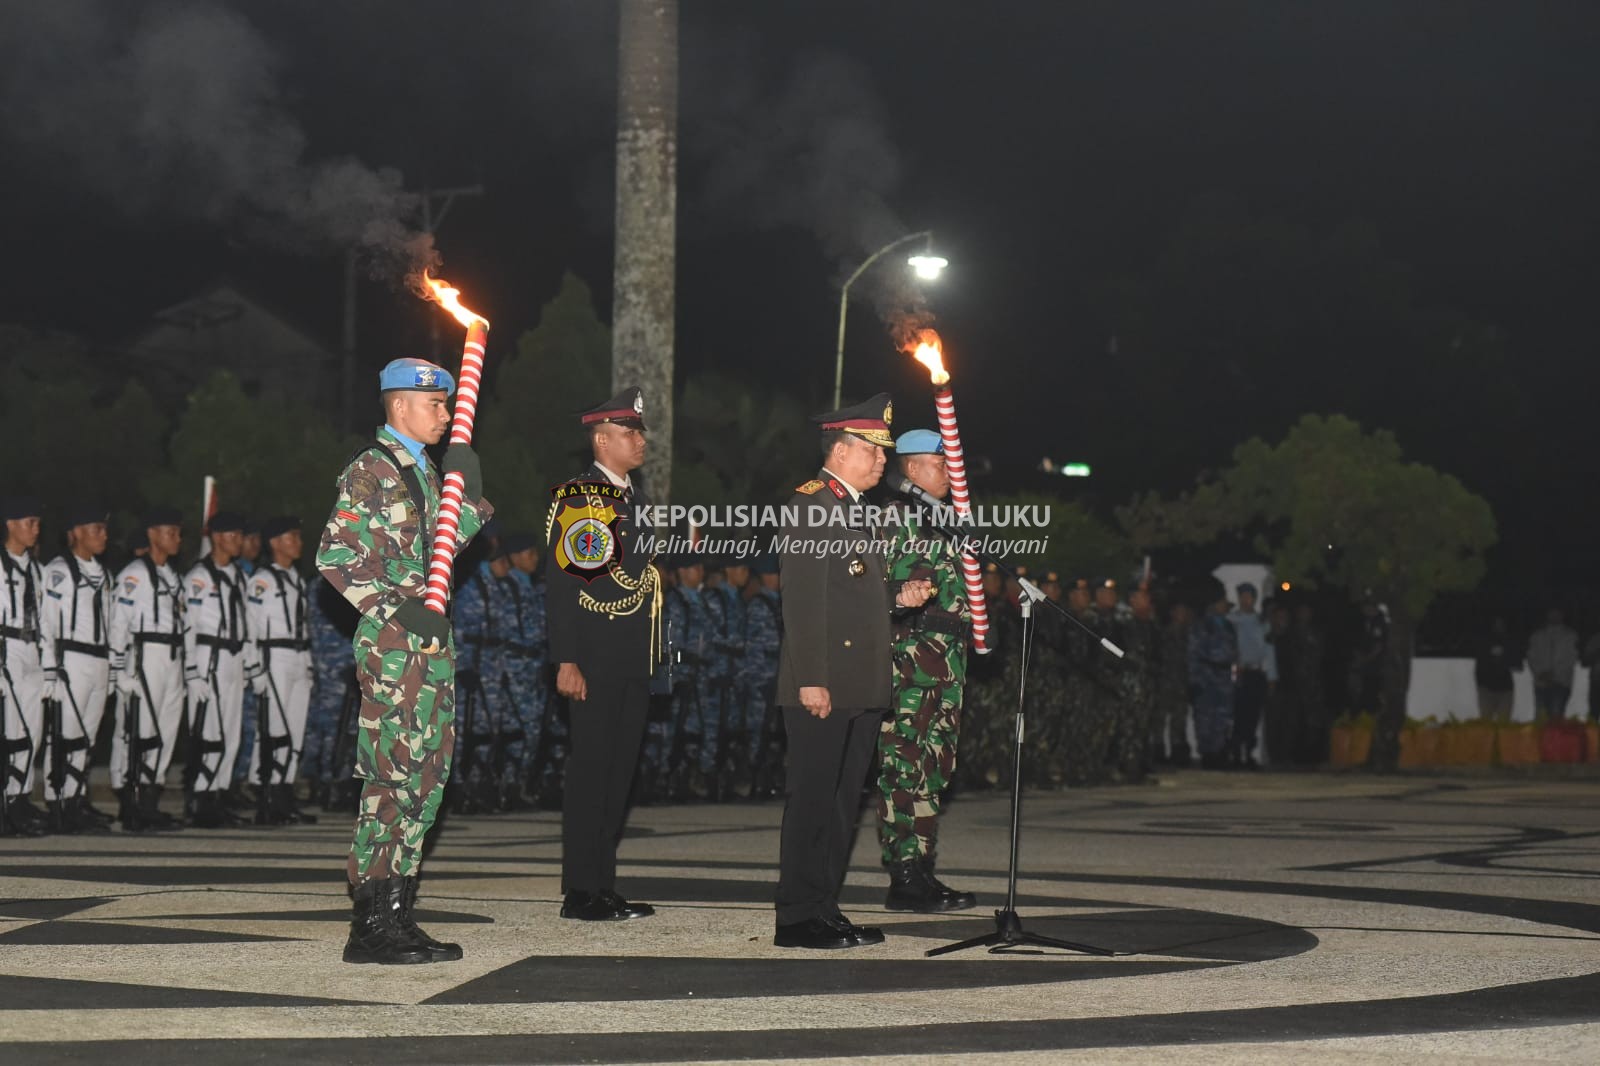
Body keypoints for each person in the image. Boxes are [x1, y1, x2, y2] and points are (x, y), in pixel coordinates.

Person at [318, 356, 491, 965]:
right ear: (399, 406)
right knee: (391, 780)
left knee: (426, 776)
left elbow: (437, 551)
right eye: (434, 404)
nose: (445, 414)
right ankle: (369, 926)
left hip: (431, 644)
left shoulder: (423, 471)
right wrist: (396, 609)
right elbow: (335, 558)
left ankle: (398, 914)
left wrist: (465, 494)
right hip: (395, 647)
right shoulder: (373, 469)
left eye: (448, 403)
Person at [773, 393, 934, 950]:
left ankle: (824, 906)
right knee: (814, 800)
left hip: (859, 681)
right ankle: (796, 916)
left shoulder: (852, 510)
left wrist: (898, 595)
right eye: (873, 450)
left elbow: (852, 594)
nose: (882, 460)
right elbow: (804, 601)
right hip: (824, 682)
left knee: (843, 805)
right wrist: (810, 677)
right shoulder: (811, 504)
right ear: (841, 451)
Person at [546, 385, 661, 922]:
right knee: (592, 771)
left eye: (639, 430)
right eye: (629, 431)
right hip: (593, 656)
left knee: (620, 773)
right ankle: (581, 891)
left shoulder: (633, 498)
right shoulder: (581, 497)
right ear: (601, 438)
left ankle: (602, 883)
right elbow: (566, 583)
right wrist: (566, 658)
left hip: (633, 657)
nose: (640, 439)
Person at [875, 427, 976, 912]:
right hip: (910, 664)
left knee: (935, 769)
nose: (950, 473)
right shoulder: (895, 518)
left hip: (948, 665)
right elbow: (883, 593)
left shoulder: (948, 524)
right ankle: (904, 872)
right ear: (913, 468)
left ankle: (923, 865)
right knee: (903, 767)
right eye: (940, 465)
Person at [109, 508, 187, 832]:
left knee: (165, 730)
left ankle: (150, 799)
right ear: (153, 534)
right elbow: (118, 622)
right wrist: (117, 672)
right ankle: (130, 800)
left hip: (171, 655)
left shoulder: (171, 575)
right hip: (145, 655)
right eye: (171, 532)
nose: (177, 539)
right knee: (136, 730)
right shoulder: (134, 574)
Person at [40, 503, 115, 834]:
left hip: (98, 660)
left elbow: (111, 623)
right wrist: (50, 667)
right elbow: (47, 623)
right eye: (96, 529)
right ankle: (58, 802)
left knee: (88, 737)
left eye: (104, 529)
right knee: (64, 735)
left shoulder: (102, 572)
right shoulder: (59, 571)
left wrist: (112, 667)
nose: (103, 535)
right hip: (71, 658)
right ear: (75, 534)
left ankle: (76, 799)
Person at [183, 511, 257, 827]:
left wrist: (249, 663)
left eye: (240, 535)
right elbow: (188, 625)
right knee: (207, 731)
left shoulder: (239, 576)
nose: (239, 541)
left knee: (230, 732)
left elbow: (247, 622)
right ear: (216, 538)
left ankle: (218, 793)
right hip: (207, 656)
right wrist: (191, 670)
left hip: (232, 657)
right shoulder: (198, 577)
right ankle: (200, 797)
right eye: (233, 535)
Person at [245, 516, 316, 825]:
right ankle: (267, 792)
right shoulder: (262, 580)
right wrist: (255, 667)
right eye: (292, 537)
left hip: (298, 655)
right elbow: (250, 626)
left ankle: (285, 791)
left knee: (295, 729)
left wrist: (309, 663)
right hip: (273, 654)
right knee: (274, 728)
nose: (298, 543)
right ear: (275, 543)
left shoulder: (297, 580)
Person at [1, 497, 48, 836]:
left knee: (32, 730)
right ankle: (6, 799)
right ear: (10, 524)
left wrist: (51, 665)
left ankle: (19, 798)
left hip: (32, 650)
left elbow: (48, 620)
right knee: (10, 730)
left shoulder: (36, 569)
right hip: (7, 649)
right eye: (29, 522)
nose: (36, 529)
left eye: (37, 523)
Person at [302, 576, 358, 810]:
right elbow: (319, 628)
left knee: (352, 727)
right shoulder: (323, 585)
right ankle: (327, 783)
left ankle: (345, 781)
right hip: (332, 664)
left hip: (355, 662)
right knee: (331, 725)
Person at [501, 533, 549, 807]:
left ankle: (521, 784)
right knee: (515, 728)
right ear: (516, 557)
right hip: (515, 666)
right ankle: (507, 784)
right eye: (529, 553)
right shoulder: (507, 587)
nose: (534, 558)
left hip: (533, 666)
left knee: (532, 728)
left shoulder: (530, 588)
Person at [742, 554, 784, 798]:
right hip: (762, 679)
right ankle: (754, 780)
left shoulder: (778, 602)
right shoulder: (760, 604)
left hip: (775, 678)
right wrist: (759, 680)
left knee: (772, 732)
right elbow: (756, 647)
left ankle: (768, 778)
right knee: (758, 731)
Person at [1188, 578, 1238, 770]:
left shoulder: (1228, 626)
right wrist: (1194, 681)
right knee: (1205, 717)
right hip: (1207, 677)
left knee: (1223, 718)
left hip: (1225, 677)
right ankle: (1208, 754)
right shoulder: (1201, 625)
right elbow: (1193, 654)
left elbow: (1234, 652)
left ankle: (1219, 752)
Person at [1226, 582, 1275, 769]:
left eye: (1249, 596)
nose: (1245, 600)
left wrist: (1272, 677)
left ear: (1254, 599)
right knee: (1237, 714)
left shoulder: (1262, 622)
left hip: (1257, 673)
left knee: (1253, 716)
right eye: (1242, 596)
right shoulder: (1231, 620)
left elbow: (1269, 651)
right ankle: (1236, 753)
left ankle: (1248, 754)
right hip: (1238, 673)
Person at [1154, 599, 1193, 766]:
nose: (1181, 615)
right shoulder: (1163, 633)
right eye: (1178, 611)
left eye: (1184, 612)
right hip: (1164, 681)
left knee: (1179, 720)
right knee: (1159, 719)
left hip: (1181, 682)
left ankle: (1177, 753)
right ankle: (1158, 751)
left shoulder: (1189, 635)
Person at [1526, 608, 1578, 721]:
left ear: (1563, 615)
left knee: (1556, 719)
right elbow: (1531, 657)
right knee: (1540, 718)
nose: (1554, 615)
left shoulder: (1571, 636)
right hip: (1541, 683)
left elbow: (1572, 659)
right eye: (1552, 612)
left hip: (1561, 683)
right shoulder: (1537, 636)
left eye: (1557, 613)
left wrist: (1555, 674)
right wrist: (1541, 673)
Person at [1474, 617, 1517, 723]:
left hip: (1505, 689)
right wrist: (1480, 686)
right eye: (1497, 624)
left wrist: (1505, 658)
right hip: (1486, 689)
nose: (1499, 626)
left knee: (1504, 725)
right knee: (1486, 724)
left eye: (1501, 624)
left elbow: (1518, 665)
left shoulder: (1510, 642)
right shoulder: (1483, 641)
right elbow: (1479, 664)